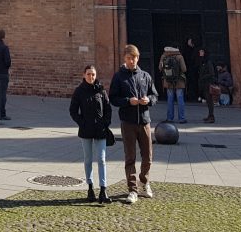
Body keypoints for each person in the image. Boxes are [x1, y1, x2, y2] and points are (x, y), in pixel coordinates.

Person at [109, 44, 158, 204]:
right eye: (129, 58)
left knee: (148, 157)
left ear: (138, 58)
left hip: (144, 121)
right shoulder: (119, 77)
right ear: (124, 58)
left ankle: (144, 182)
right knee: (130, 157)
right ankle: (132, 190)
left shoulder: (145, 76)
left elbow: (155, 95)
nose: (132, 61)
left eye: (134, 58)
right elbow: (113, 98)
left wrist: (148, 100)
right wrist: (127, 101)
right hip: (128, 122)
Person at [69, 64, 112, 204]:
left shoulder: (101, 91)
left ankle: (103, 190)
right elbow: (73, 110)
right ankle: (90, 188)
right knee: (88, 159)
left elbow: (108, 108)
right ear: (84, 75)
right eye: (88, 74)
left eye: (93, 74)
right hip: (86, 130)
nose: (91, 77)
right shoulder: (79, 91)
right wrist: (82, 122)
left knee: (102, 159)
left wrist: (105, 123)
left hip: (100, 130)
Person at [158, 45, 187, 123]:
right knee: (180, 99)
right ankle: (181, 118)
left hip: (168, 81)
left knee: (170, 100)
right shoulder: (179, 56)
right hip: (179, 81)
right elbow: (184, 69)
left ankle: (170, 118)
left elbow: (160, 68)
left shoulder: (164, 56)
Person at [196, 48, 217, 123]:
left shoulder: (208, 62)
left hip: (207, 83)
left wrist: (203, 77)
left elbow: (212, 73)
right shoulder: (203, 61)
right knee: (208, 100)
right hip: (204, 84)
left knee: (209, 100)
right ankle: (210, 115)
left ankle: (211, 116)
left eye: (201, 51)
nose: (200, 52)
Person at [183, 37, 199, 101]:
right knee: (190, 83)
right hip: (189, 69)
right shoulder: (188, 50)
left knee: (193, 83)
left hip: (192, 69)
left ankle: (193, 96)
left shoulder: (194, 50)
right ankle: (190, 96)